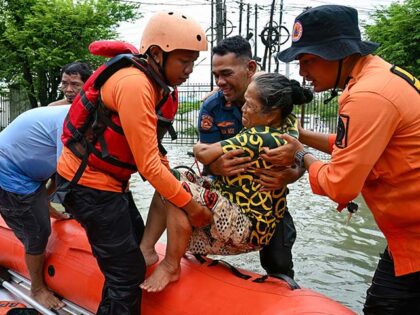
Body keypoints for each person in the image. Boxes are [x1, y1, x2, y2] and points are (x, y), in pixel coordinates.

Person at [267, 5, 420, 314]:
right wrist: (301, 135)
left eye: (308, 60)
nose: (301, 72)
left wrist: (300, 154)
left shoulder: (366, 96)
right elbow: (356, 147)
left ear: (338, 52)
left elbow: (340, 185)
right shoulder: (379, 77)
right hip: (408, 240)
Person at [55, 12, 209, 315]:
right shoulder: (135, 85)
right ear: (155, 54)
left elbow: (152, 152)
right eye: (183, 61)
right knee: (126, 273)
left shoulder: (155, 85)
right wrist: (192, 207)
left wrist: (176, 182)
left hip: (109, 185)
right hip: (88, 186)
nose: (189, 70)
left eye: (193, 62)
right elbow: (149, 166)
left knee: (136, 254)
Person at [140, 72, 313, 293]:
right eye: (215, 74)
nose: (243, 108)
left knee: (173, 182)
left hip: (247, 224)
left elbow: (203, 153)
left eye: (250, 105)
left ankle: (170, 264)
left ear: (271, 114)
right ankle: (149, 249)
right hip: (255, 216)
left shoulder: (258, 135)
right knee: (177, 177)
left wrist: (198, 149)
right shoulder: (288, 124)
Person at [196, 35, 303, 278]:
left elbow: (297, 148)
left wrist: (294, 173)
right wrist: (216, 166)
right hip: (227, 194)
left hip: (267, 199)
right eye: (216, 75)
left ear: (250, 68)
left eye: (227, 73)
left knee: (279, 264)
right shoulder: (211, 107)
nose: (220, 82)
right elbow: (206, 156)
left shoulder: (274, 95)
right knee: (195, 247)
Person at [0, 105, 71, 310]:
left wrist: (44, 202)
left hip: (27, 172)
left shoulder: (68, 112)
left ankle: (42, 205)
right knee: (38, 230)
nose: (69, 90)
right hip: (10, 172)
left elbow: (60, 172)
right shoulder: (69, 121)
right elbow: (69, 170)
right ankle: (37, 288)